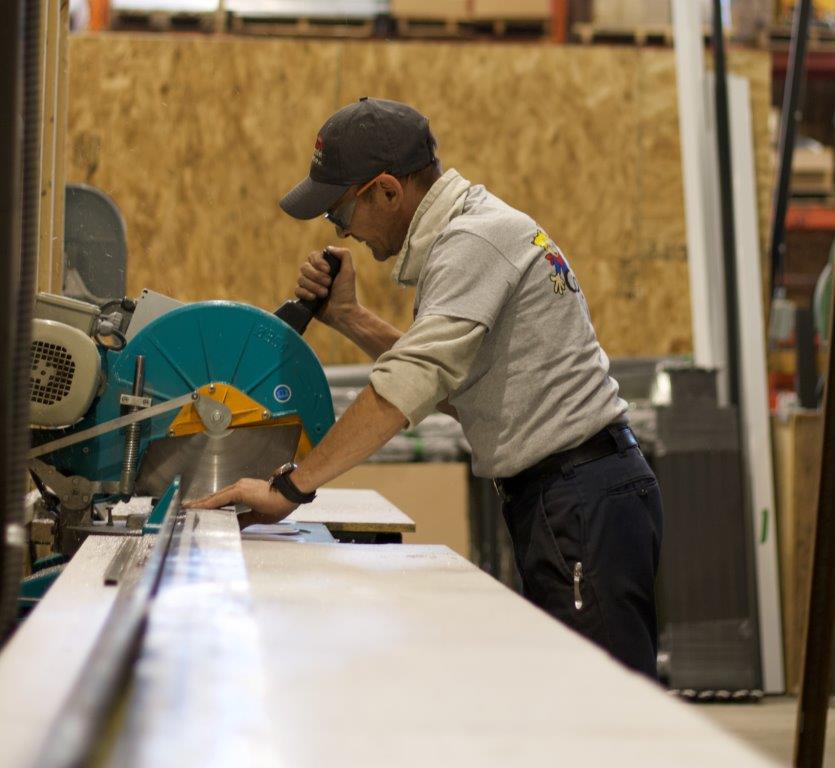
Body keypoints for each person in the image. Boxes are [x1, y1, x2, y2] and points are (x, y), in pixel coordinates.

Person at [187, 97, 663, 679]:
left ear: (386, 191)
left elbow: (407, 385)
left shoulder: (473, 243)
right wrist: (348, 317)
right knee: (582, 695)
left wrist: (289, 489)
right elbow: (449, 387)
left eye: (340, 213)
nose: (341, 231)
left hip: (579, 496)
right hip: (570, 493)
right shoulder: (472, 236)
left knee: (606, 709)